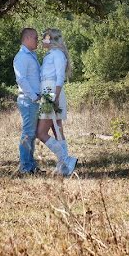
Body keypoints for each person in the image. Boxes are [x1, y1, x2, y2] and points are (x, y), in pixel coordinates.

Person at [36, 27, 78, 176]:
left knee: (40, 132)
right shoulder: (50, 55)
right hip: (48, 92)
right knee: (57, 130)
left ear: (50, 39)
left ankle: (66, 159)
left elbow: (60, 78)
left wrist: (54, 98)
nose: (42, 41)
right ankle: (64, 166)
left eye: (44, 38)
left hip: (52, 94)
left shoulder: (58, 55)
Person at [13, 27, 41, 174]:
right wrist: (34, 96)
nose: (38, 41)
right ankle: (25, 167)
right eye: (36, 38)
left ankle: (31, 165)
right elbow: (21, 79)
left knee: (31, 134)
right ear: (28, 38)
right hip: (28, 99)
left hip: (33, 100)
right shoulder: (22, 57)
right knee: (28, 133)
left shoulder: (31, 55)